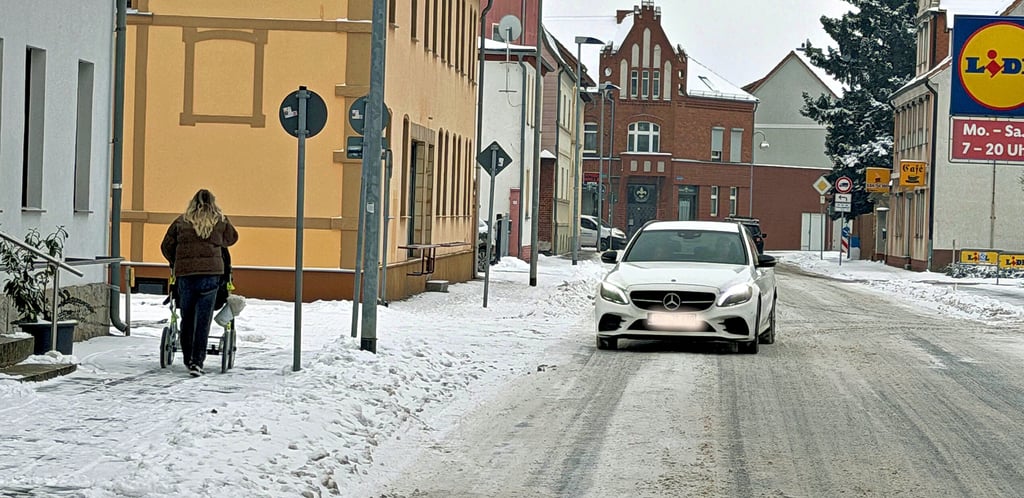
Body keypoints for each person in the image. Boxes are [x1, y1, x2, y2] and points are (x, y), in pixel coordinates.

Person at [161, 189, 238, 377]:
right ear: (213, 203)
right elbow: (232, 238)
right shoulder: (219, 221)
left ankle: (188, 359)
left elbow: (166, 246)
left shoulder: (181, 221)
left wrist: (177, 261)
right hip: (211, 275)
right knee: (203, 320)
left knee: (187, 318)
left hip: (186, 275)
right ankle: (197, 361)